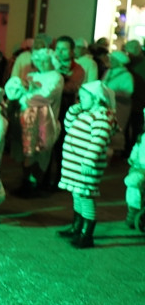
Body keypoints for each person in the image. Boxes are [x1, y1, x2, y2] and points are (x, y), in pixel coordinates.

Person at [57, 81, 117, 248]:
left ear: (96, 99)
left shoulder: (102, 117)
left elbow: (99, 140)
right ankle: (77, 227)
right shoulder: (87, 113)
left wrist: (89, 159)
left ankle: (87, 234)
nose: (80, 100)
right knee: (77, 194)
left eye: (83, 97)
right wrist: (72, 111)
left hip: (85, 165)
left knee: (86, 196)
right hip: (75, 164)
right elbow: (69, 127)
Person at [4, 48, 63, 196]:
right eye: (39, 61)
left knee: (40, 153)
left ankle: (35, 183)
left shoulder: (56, 77)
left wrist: (26, 95)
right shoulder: (31, 76)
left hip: (44, 122)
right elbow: (15, 92)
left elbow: (45, 96)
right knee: (25, 153)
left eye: (45, 61)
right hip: (25, 121)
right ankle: (26, 181)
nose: (41, 64)